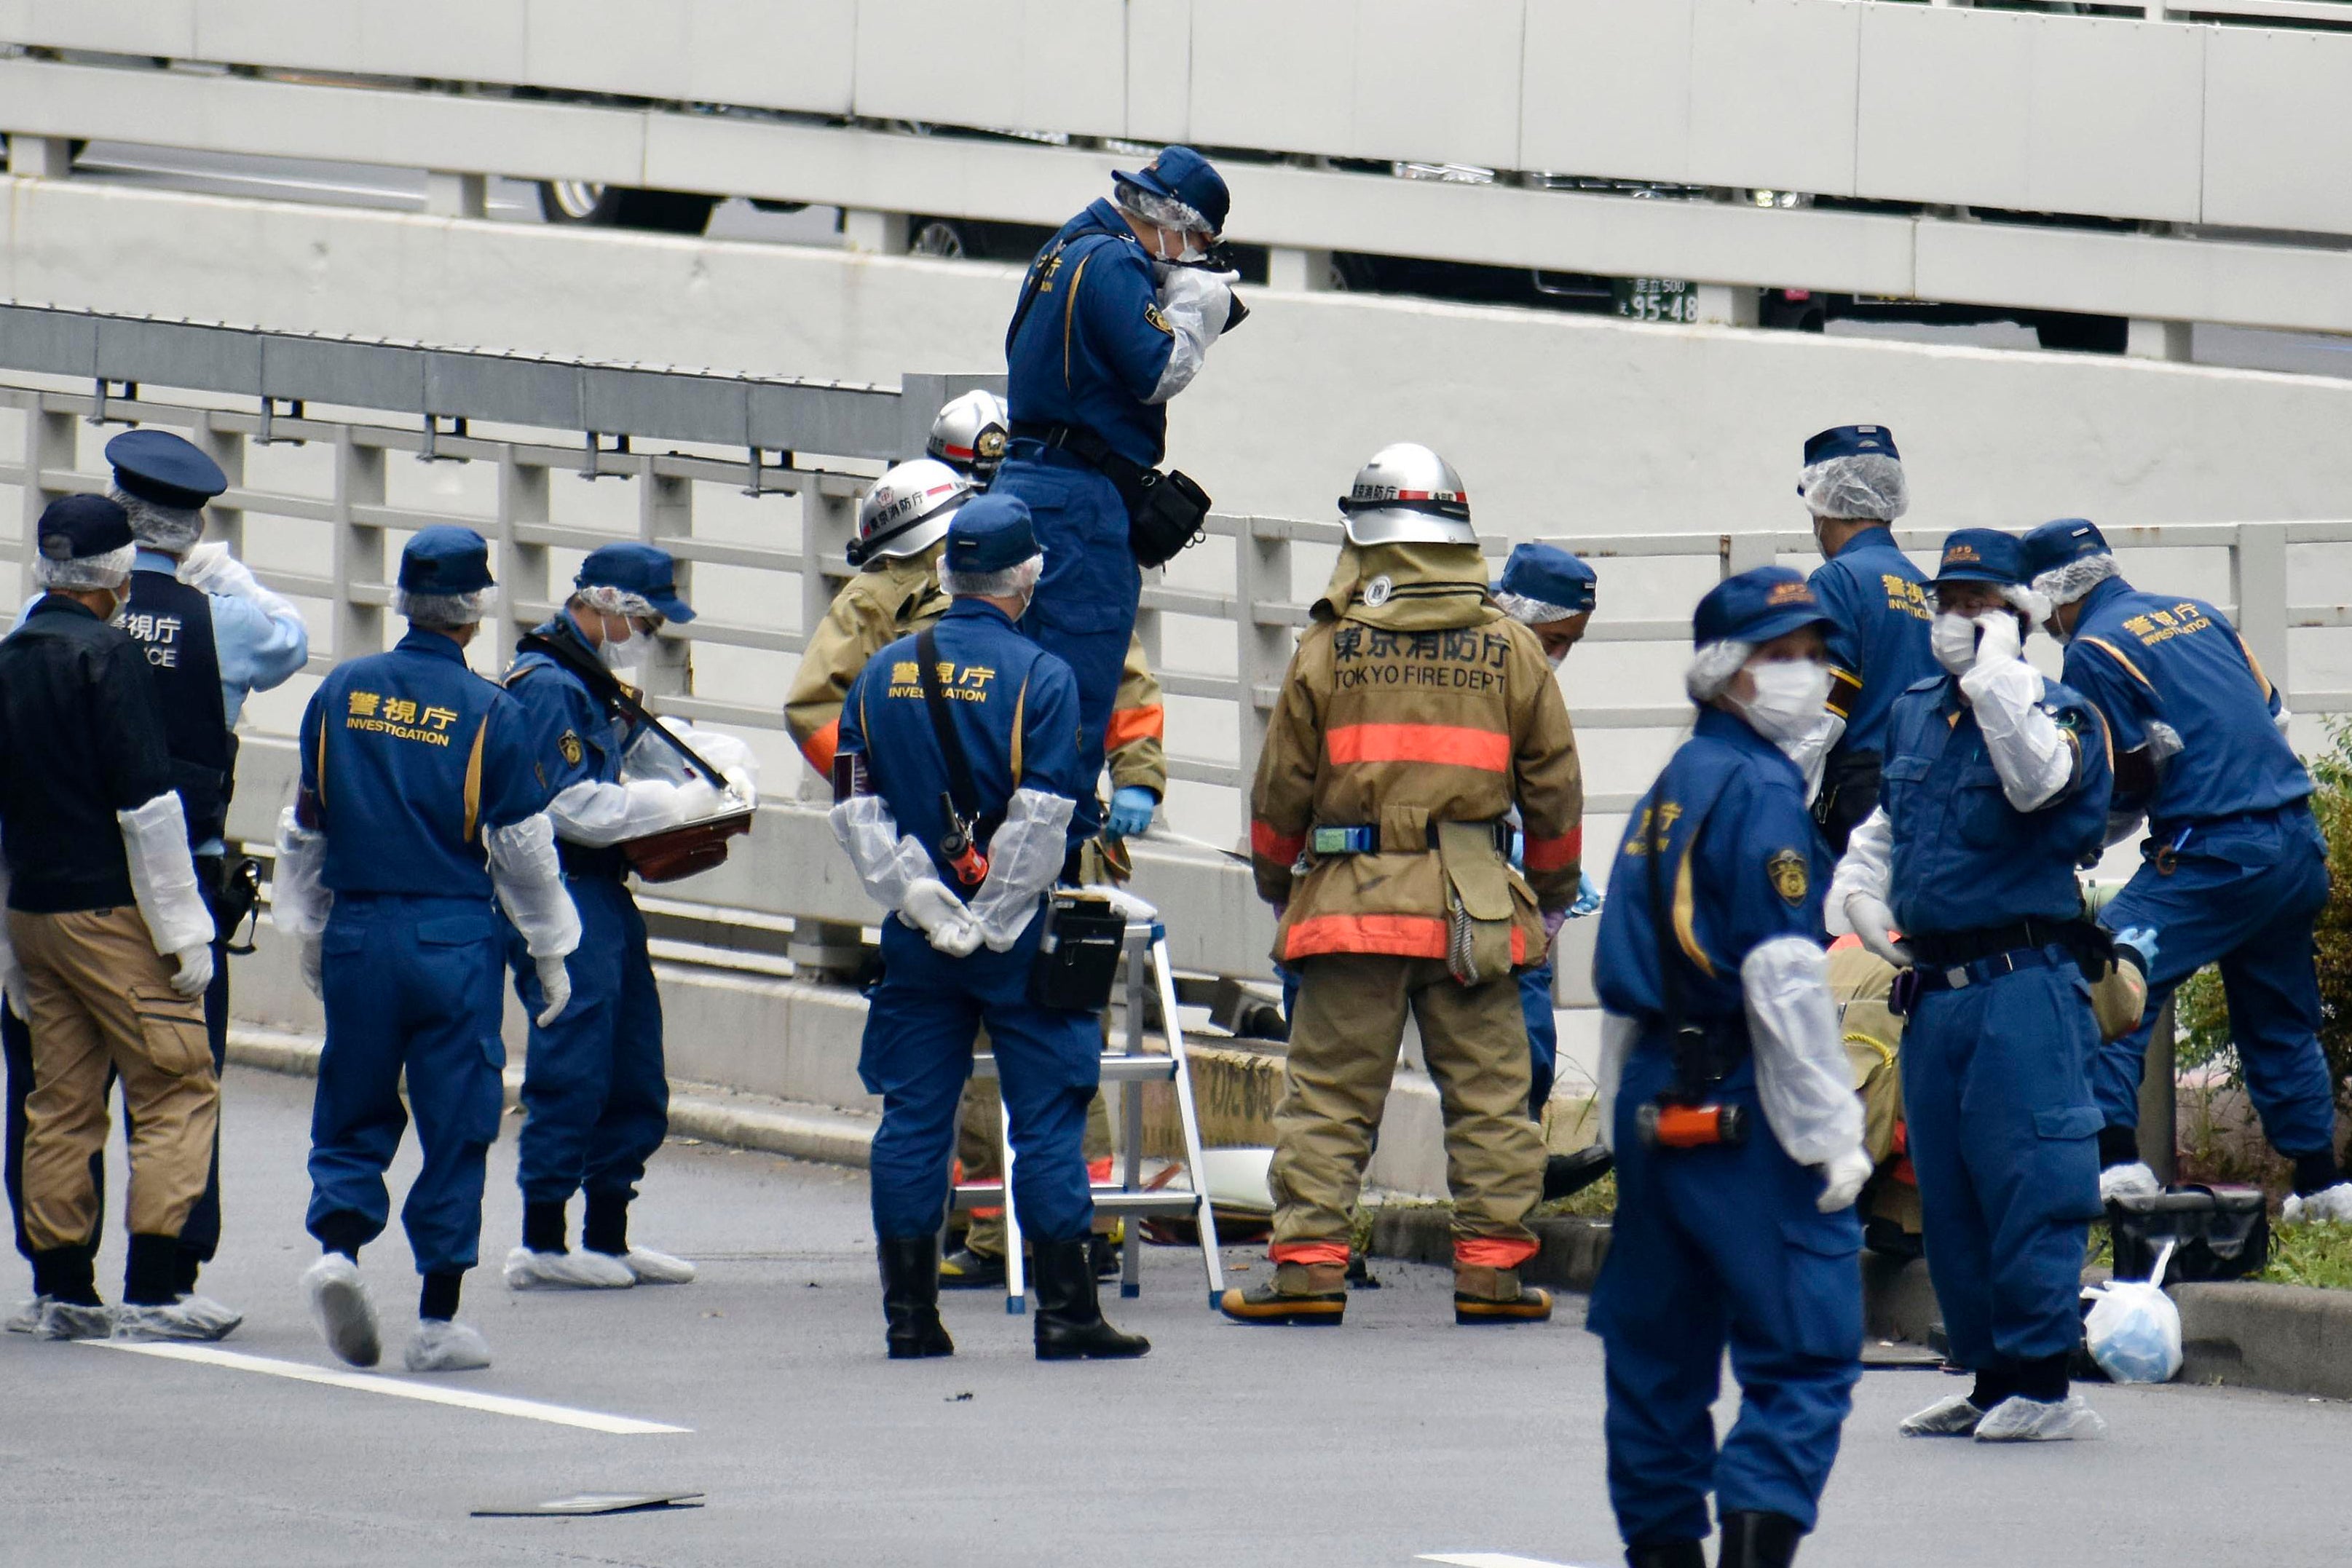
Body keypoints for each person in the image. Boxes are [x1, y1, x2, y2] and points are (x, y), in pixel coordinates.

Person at [1223, 443, 1583, 1329]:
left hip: (1349, 903)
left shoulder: (1328, 647)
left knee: (1330, 1099)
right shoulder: (1510, 650)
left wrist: (1279, 880)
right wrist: (1547, 892)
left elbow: (1280, 792)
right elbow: (1554, 788)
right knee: (1492, 1099)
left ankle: (1308, 1269)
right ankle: (1493, 1274)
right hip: (1474, 908)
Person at [1587, 565, 1871, 1568]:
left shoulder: (1675, 780)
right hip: (1738, 1098)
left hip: (1653, 1092)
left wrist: (1610, 1119)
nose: (1804, 674)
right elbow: (1784, 975)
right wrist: (1830, 1129)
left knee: (1656, 1355)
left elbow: (1618, 969)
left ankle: (1662, 1552)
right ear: (1725, 670)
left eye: (1812, 654)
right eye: (1777, 655)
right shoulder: (1756, 789)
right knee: (1804, 1348)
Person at [829, 494, 1147, 1361]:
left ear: (940, 571)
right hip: (1018, 942)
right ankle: (1066, 1314)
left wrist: (926, 907)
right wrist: (990, 919)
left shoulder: (877, 674)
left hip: (914, 941)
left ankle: (908, 1317)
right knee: (1046, 1115)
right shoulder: (1043, 677)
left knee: (912, 1120)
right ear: (1029, 575)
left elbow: (855, 811)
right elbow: (1044, 818)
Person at [1828, 528, 2117, 1444]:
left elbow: (2037, 785)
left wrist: (1997, 674)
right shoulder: (1916, 710)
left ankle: (2043, 1382)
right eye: (1947, 600)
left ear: (2019, 614)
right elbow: (1887, 822)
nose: (1957, 617)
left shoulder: (2059, 709)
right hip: (1937, 991)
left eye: (1978, 603)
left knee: (2029, 1178)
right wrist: (1860, 891)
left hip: (2020, 986)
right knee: (1946, 1194)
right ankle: (1990, 1377)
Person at [271, 527, 579, 1374]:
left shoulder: (341, 692)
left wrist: (307, 926)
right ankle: (438, 1317)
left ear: (402, 599)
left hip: (359, 928)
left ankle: (337, 1247)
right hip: (452, 933)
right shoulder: (492, 712)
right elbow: (521, 850)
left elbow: (306, 825)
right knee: (457, 1122)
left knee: (352, 1098)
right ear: (475, 611)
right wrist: (551, 948)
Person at [2021, 518, 2352, 1224]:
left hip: (2214, 854)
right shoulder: (2195, 613)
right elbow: (2273, 716)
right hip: (2294, 844)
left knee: (2104, 980)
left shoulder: (2092, 649)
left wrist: (2071, 842)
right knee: (2277, 1017)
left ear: (2050, 595)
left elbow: (2117, 779)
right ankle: (2321, 1187)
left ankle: (2116, 1168)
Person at [0, 495, 232, 1343]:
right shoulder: (110, 657)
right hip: (111, 910)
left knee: (59, 1098)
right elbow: (149, 806)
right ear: (116, 577)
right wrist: (186, 931)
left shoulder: (10, 656)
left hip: (35, 908)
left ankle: (62, 1287)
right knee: (175, 1080)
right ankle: (158, 1287)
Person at [499, 544, 746, 1290]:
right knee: (574, 1061)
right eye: (643, 621)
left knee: (633, 1062)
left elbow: (647, 755)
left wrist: (718, 768)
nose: (648, 637)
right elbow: (569, 806)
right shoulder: (548, 686)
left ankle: (607, 1234)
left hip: (600, 891)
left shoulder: (586, 678)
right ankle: (543, 1237)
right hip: (559, 887)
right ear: (604, 606)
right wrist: (675, 806)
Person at [993, 145, 1237, 840]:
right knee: (1078, 675)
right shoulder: (1113, 261)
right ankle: (1061, 842)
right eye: (1197, 243)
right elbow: (1157, 369)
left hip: (1028, 478)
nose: (1193, 257)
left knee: (1019, 669)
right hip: (1079, 499)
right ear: (1171, 219)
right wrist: (1193, 311)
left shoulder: (1062, 247)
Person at [1491, 542, 1606, 1120]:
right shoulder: (1503, 680)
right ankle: (1514, 1158)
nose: (1558, 656)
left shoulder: (1513, 676)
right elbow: (1551, 795)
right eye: (1554, 640)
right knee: (1518, 1023)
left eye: (1570, 645)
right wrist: (1554, 886)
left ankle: (1516, 1156)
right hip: (1474, 887)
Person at [1797, 424, 1933, 854]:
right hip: (1928, 794)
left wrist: (1775, 795)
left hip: (1860, 798)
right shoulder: (1925, 586)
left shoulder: (1836, 581)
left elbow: (1821, 717)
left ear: (1823, 502)